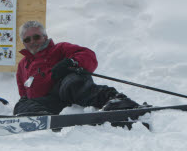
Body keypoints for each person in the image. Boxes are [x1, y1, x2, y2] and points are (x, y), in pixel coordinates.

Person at [14, 20, 142, 116]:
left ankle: (115, 101)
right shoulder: (22, 65)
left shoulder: (59, 49)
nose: (33, 42)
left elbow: (88, 55)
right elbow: (23, 91)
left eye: (36, 37)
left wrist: (71, 62)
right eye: (28, 39)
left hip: (71, 94)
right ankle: (37, 117)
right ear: (24, 43)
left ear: (45, 37)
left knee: (73, 82)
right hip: (49, 103)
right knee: (22, 104)